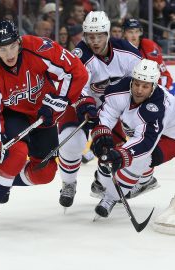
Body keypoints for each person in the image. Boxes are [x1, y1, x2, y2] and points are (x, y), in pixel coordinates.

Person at [0, 20, 89, 229]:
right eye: (2, 48)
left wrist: (57, 103)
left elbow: (75, 72)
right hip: (13, 116)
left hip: (43, 113)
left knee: (45, 173)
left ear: (19, 42)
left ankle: (5, 181)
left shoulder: (40, 48)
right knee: (15, 153)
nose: (9, 53)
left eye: (12, 46)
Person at [57, 11, 142, 208]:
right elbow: (78, 88)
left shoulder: (128, 53)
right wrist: (87, 107)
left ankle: (102, 182)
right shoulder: (79, 55)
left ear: (108, 33)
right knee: (72, 142)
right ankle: (69, 184)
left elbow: (139, 86)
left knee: (112, 152)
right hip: (80, 105)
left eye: (99, 36)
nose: (94, 41)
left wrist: (131, 115)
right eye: (90, 36)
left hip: (111, 109)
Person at [90, 59, 175, 218]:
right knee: (113, 151)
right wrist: (101, 133)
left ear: (153, 86)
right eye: (136, 84)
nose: (139, 90)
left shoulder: (157, 106)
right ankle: (144, 179)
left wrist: (122, 154)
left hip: (171, 137)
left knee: (143, 158)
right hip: (150, 132)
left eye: (145, 86)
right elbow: (107, 114)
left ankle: (111, 197)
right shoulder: (119, 90)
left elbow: (145, 142)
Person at [122, 18, 173, 90]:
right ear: (124, 33)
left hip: (150, 87)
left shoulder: (149, 45)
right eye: (130, 32)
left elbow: (163, 73)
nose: (134, 35)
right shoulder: (118, 48)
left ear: (140, 32)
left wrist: (163, 90)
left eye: (136, 32)